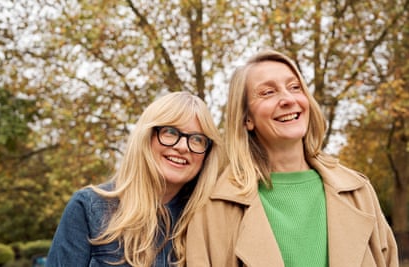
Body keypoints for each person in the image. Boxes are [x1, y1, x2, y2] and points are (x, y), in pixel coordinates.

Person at [186, 50, 399, 267]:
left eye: (295, 87)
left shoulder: (359, 192)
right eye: (268, 92)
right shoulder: (212, 209)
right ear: (247, 119)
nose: (288, 99)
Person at [46, 91, 224, 267]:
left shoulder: (210, 221)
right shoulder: (88, 208)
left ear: (207, 154)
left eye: (197, 139)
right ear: (146, 137)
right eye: (170, 132)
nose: (183, 146)